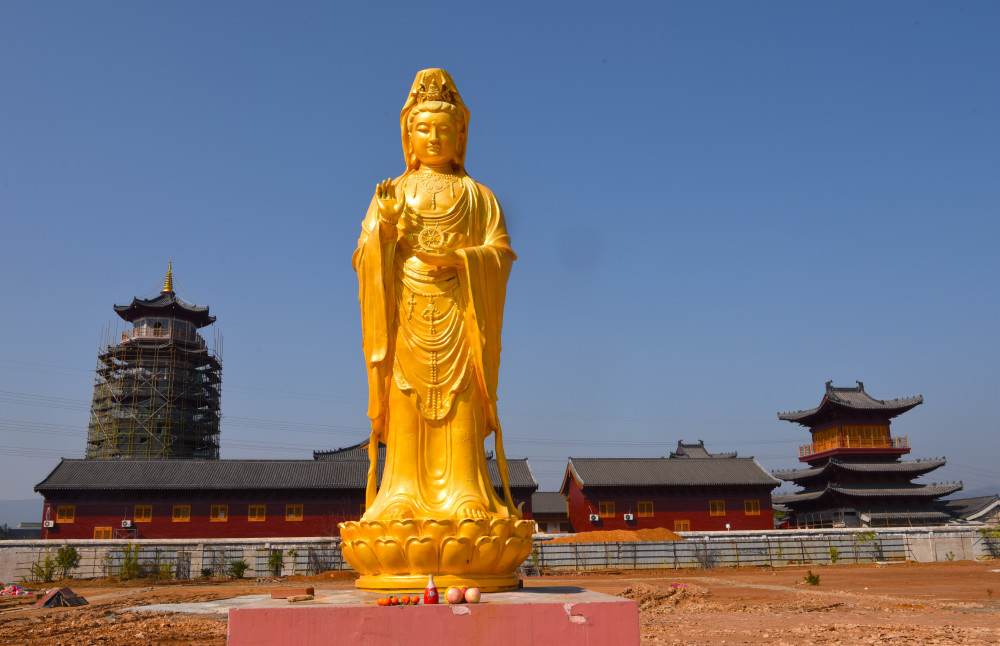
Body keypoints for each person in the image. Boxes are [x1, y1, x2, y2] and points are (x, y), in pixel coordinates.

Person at [353, 69, 518, 521]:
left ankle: (468, 494)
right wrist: (384, 229)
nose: (433, 137)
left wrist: (463, 260)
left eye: (444, 129)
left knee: (461, 403)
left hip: (462, 314)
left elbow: (501, 253)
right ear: (408, 134)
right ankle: (401, 495)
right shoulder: (394, 191)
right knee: (407, 402)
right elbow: (363, 256)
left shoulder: (478, 196)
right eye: (423, 127)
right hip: (405, 314)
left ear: (461, 135)